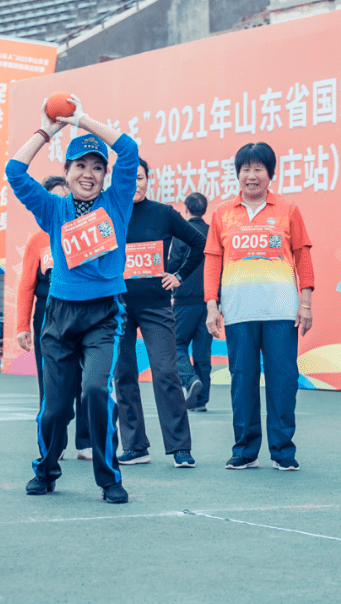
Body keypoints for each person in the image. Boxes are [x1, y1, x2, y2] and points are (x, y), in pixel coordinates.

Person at [5, 94, 138, 504]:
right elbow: (14, 170)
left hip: (103, 316)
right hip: (60, 317)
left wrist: (83, 119)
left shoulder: (117, 202)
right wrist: (49, 129)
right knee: (54, 408)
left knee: (96, 392)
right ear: (67, 170)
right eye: (81, 165)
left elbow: (128, 149)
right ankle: (45, 470)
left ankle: (109, 477)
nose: (90, 173)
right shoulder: (52, 209)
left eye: (98, 168)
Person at [204, 142, 314, 472]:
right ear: (237, 174)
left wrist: (305, 303)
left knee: (283, 381)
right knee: (243, 382)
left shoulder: (288, 209)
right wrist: (212, 306)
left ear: (270, 174)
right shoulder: (223, 213)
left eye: (259, 169)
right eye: (245, 169)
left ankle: (283, 450)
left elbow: (303, 256)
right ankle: (245, 449)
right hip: (238, 313)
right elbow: (212, 262)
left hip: (282, 312)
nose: (251, 176)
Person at [114, 159, 205, 468]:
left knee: (166, 372)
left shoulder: (163, 213)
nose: (135, 183)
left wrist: (178, 275)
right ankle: (135, 446)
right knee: (123, 375)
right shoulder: (110, 215)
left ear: (148, 179)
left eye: (140, 177)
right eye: (129, 178)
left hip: (156, 307)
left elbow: (198, 242)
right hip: (118, 309)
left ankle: (180, 447)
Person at [15, 175, 92, 461]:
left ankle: (85, 442)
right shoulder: (38, 239)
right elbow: (26, 285)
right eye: (55, 198)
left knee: (87, 381)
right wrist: (22, 325)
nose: (61, 202)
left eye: (65, 196)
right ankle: (52, 445)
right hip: (48, 319)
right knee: (52, 385)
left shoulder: (86, 229)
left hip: (85, 316)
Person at [172, 192, 212, 412]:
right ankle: (201, 401)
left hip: (184, 300)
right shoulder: (213, 233)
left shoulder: (182, 233)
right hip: (209, 301)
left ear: (186, 209)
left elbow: (173, 264)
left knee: (175, 344)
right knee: (203, 354)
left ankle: (190, 380)